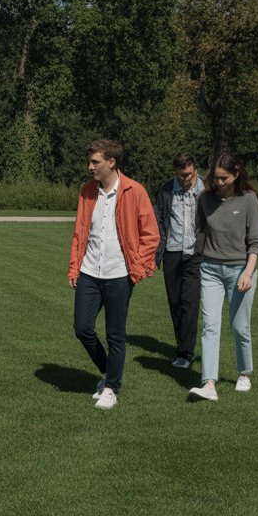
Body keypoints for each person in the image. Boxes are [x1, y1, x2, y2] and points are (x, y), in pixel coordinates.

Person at [68, 139, 160, 410]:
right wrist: (74, 266)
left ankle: (111, 387)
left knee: (115, 334)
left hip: (119, 274)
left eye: (95, 162)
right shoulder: (87, 191)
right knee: (82, 328)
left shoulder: (135, 191)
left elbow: (151, 235)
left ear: (112, 162)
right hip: (89, 271)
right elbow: (79, 232)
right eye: (90, 161)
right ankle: (109, 371)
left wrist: (139, 268)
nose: (90, 167)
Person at [187, 153, 258, 402]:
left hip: (240, 270)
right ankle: (209, 383)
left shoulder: (249, 200)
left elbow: (256, 242)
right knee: (209, 326)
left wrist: (248, 273)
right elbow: (201, 232)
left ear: (236, 175)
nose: (219, 182)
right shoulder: (205, 199)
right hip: (210, 269)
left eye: (224, 178)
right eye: (215, 178)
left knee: (239, 326)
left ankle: (244, 373)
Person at [154, 154, 205, 369]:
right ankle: (181, 346)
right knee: (175, 302)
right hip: (172, 251)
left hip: (196, 253)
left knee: (190, 303)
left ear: (195, 169)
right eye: (181, 174)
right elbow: (157, 221)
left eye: (189, 174)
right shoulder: (166, 190)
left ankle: (186, 353)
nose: (186, 178)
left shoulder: (207, 190)